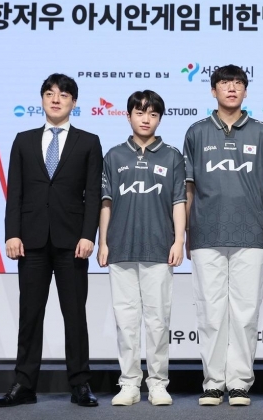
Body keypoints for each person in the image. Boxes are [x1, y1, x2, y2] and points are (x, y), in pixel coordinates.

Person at [0, 74, 102, 408]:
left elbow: (93, 194)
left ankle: (80, 384)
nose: (56, 99)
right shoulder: (23, 141)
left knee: (75, 315)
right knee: (30, 315)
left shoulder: (88, 142)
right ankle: (24, 385)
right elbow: (15, 192)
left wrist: (89, 235)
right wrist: (12, 233)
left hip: (72, 242)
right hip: (32, 241)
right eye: (50, 94)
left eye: (64, 95)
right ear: (42, 99)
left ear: (73, 103)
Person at [183, 65, 263, 406]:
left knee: (245, 313)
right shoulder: (196, 132)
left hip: (250, 233)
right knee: (210, 312)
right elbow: (188, 187)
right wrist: (186, 232)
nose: (232, 88)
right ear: (214, 91)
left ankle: (238, 382)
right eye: (224, 83)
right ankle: (212, 382)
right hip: (206, 233)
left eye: (238, 83)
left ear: (246, 91)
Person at [97, 90, 186, 406]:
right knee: (126, 321)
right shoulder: (114, 156)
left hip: (159, 249)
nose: (146, 119)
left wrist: (178, 240)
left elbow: (179, 201)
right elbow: (105, 203)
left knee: (158, 320)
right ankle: (129, 384)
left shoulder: (172, 156)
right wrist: (103, 241)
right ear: (128, 116)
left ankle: (158, 383)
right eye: (139, 112)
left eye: (152, 114)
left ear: (159, 119)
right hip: (120, 248)